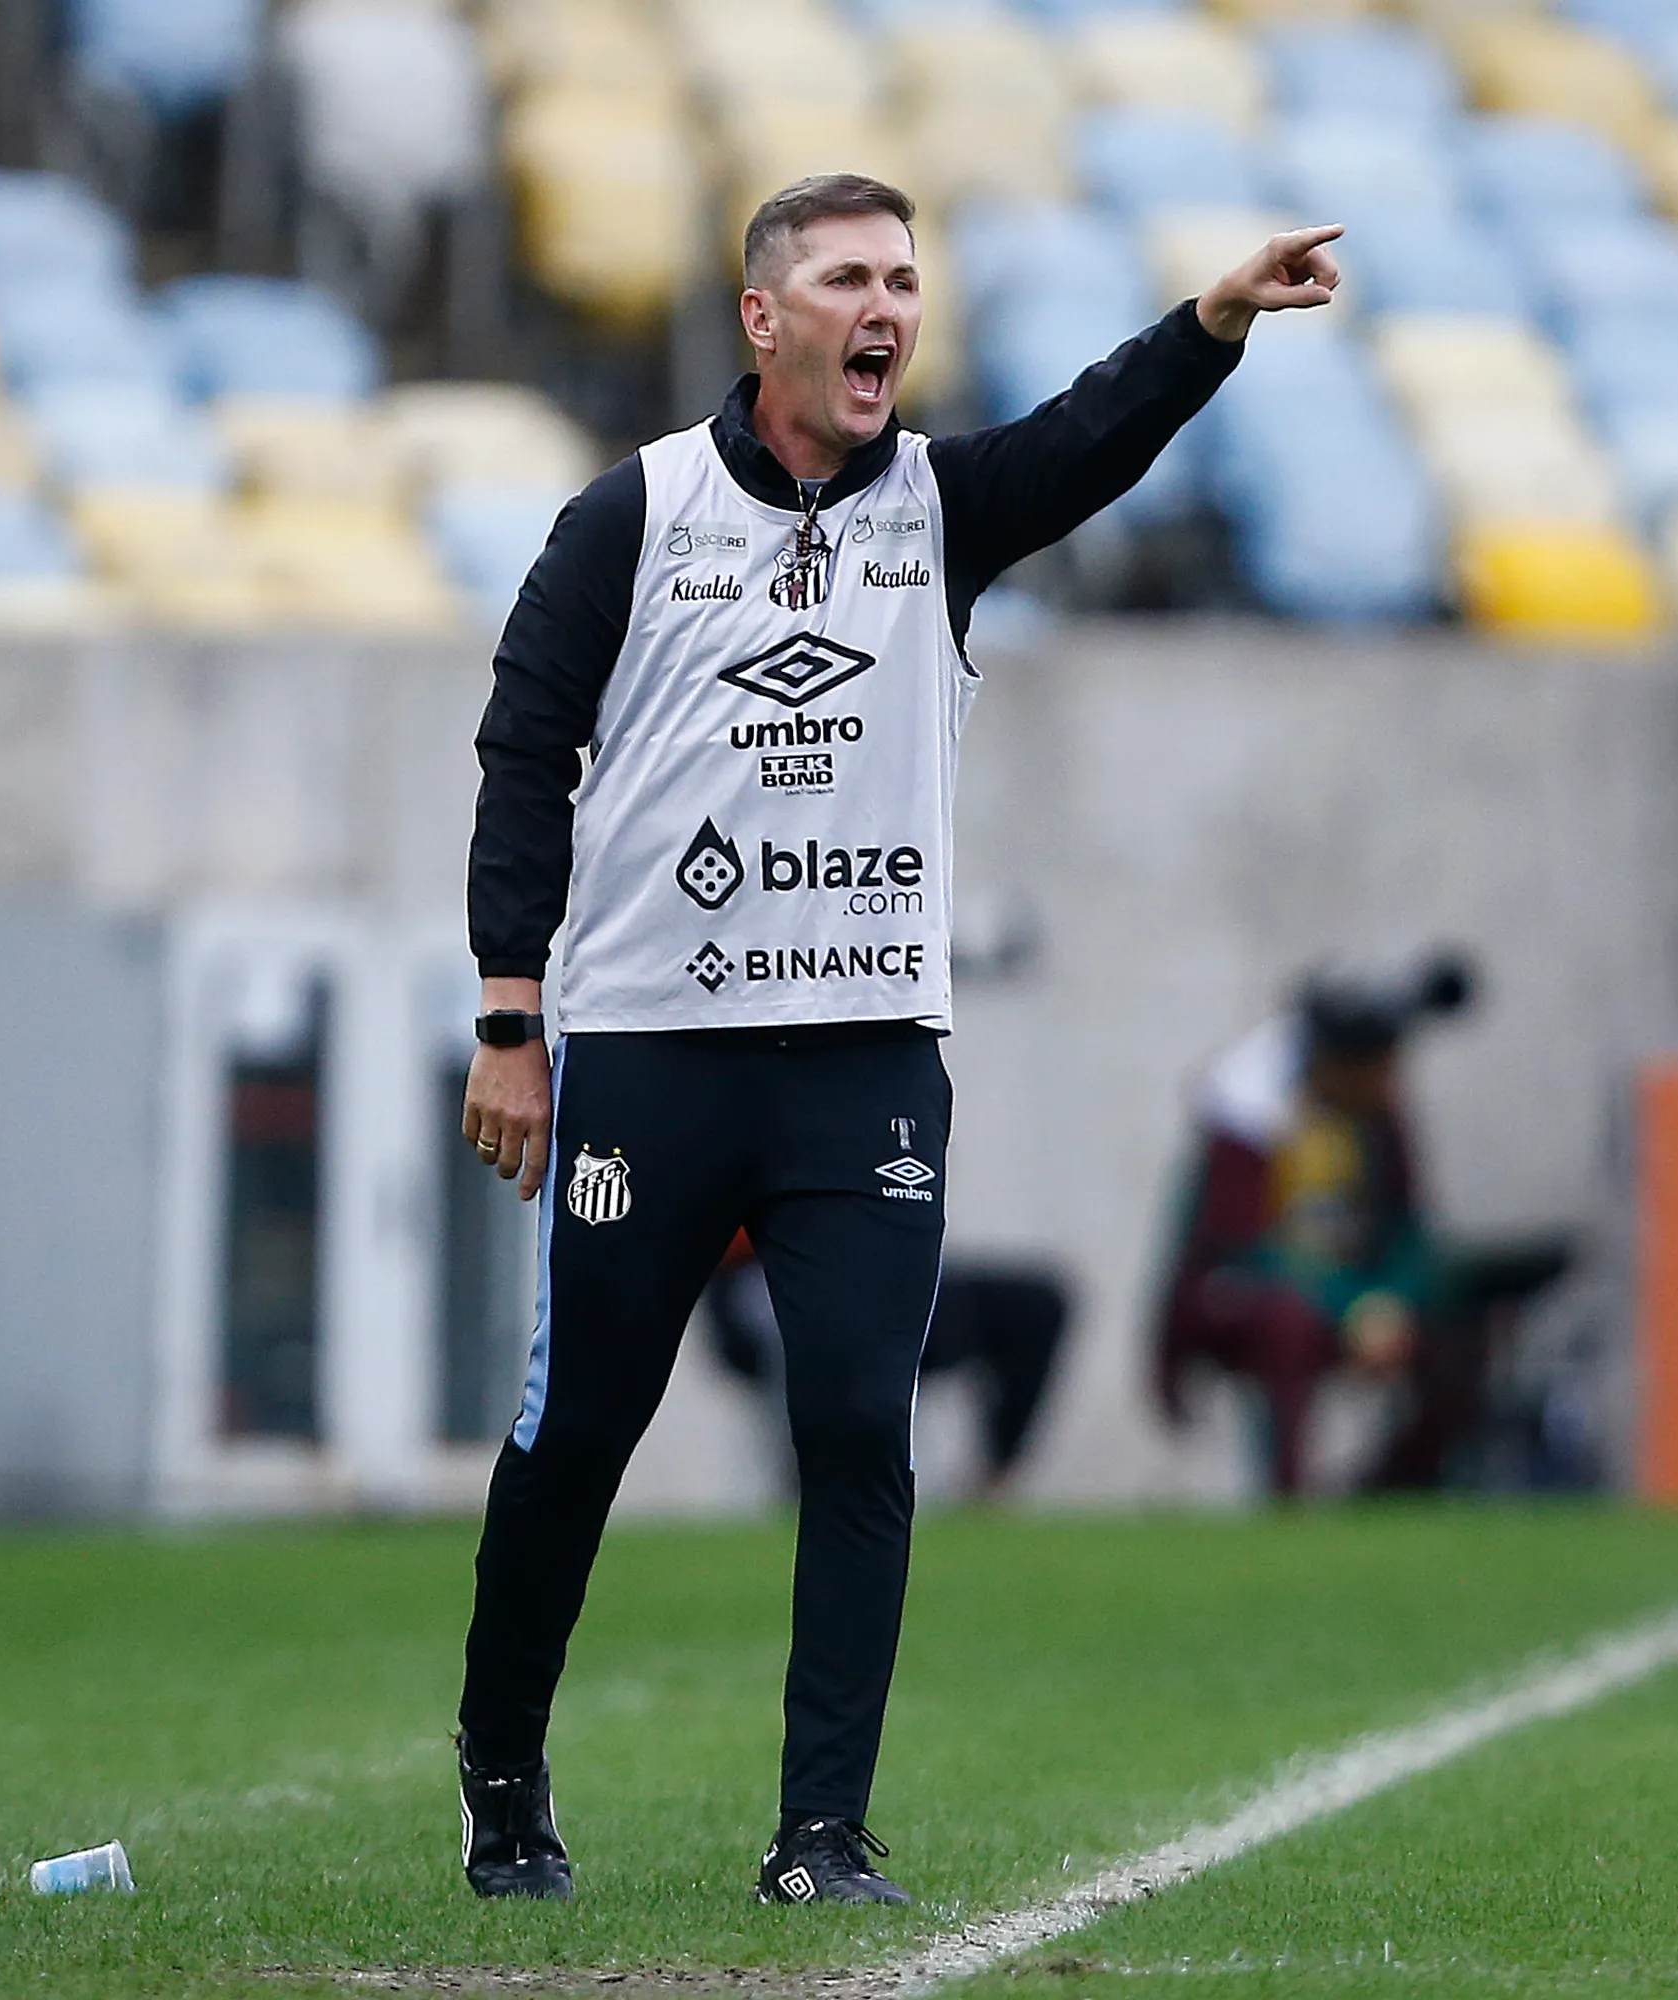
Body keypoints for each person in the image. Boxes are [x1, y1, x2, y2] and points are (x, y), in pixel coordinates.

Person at [449, 173, 1343, 1909]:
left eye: (906, 284)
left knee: (863, 1423)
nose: (888, 311)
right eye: (850, 279)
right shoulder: (633, 514)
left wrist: (1213, 325)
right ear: (762, 316)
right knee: (579, 1437)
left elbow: (1094, 435)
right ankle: (499, 1764)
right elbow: (523, 749)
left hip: (863, 1061)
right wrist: (509, 1012)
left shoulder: (945, 508)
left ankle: (820, 1836)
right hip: (652, 1053)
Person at [1151, 957, 1483, 1497]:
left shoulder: (1378, 1121)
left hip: (1358, 1296)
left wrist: (1389, 1301)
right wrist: (1350, 1306)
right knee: (1287, 1326)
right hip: (1250, 1297)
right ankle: (1287, 1498)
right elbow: (1236, 1247)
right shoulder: (1249, 1117)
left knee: (1461, 1328)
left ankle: (1395, 1490)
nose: (1388, 1080)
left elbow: (1409, 1231)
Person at [707, 1234, 1070, 1498]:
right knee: (823, 1326)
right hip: (765, 1271)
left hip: (880, 1262)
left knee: (1036, 1307)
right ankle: (813, 1488)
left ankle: (989, 1485)